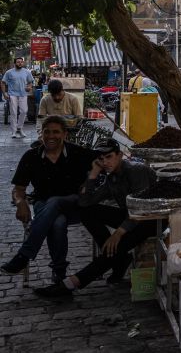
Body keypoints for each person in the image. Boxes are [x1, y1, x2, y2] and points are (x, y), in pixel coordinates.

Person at [34, 139, 157, 299]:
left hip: (151, 219)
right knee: (87, 211)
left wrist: (118, 233)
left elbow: (142, 209)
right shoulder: (111, 177)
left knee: (117, 245)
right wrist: (93, 174)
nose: (105, 162)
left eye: (109, 157)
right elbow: (84, 202)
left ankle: (72, 283)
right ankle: (118, 259)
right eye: (101, 159)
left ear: (119, 155)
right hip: (130, 216)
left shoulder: (135, 170)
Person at [1, 116, 99, 283]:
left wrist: (93, 177)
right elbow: (18, 190)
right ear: (41, 134)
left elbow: (106, 158)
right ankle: (59, 271)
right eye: (47, 132)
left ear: (65, 134)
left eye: (56, 132)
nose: (51, 136)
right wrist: (20, 203)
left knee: (55, 201)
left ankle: (24, 256)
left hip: (74, 204)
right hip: (43, 205)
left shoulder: (78, 153)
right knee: (57, 222)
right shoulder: (31, 157)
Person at [2, 57, 35, 138]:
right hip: (12, 94)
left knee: (24, 111)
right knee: (13, 112)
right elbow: (3, 83)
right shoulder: (9, 72)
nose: (20, 63)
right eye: (18, 62)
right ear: (15, 63)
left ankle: (19, 128)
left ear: (23, 63)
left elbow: (30, 82)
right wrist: (4, 94)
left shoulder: (27, 72)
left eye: (21, 62)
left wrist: (29, 87)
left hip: (23, 94)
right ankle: (13, 131)